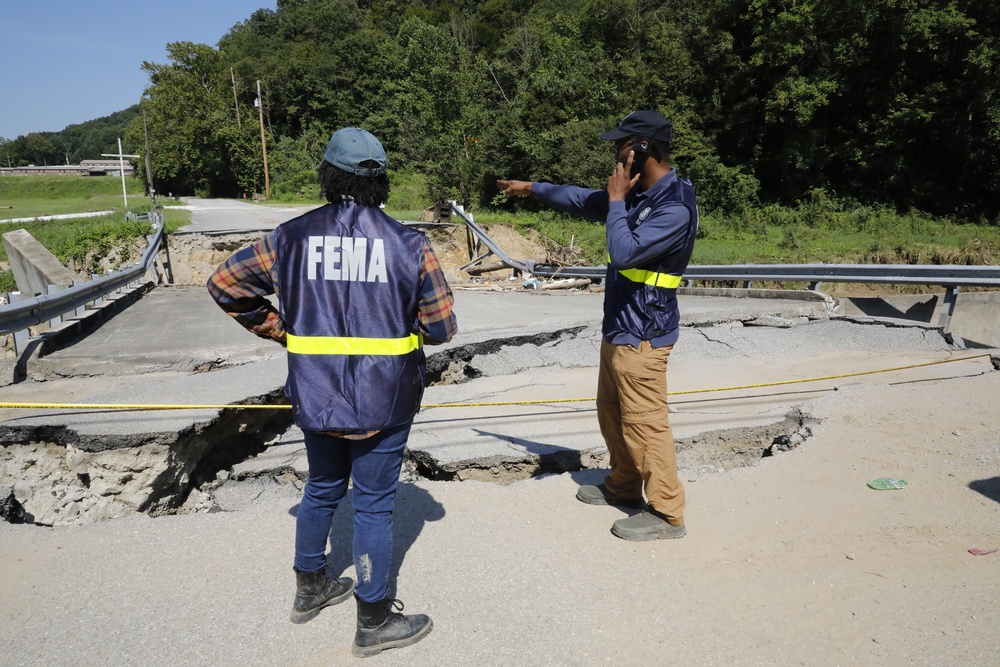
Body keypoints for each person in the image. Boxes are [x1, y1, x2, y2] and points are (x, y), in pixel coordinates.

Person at [208, 127, 457, 657]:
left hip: (315, 390)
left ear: (327, 175)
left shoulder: (288, 238)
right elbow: (440, 327)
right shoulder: (409, 244)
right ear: (381, 182)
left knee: (322, 486)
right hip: (385, 397)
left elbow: (226, 284)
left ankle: (310, 589)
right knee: (371, 507)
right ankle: (372, 622)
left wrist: (281, 329)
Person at [497, 110, 698, 542]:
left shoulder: (674, 206)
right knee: (613, 414)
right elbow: (578, 198)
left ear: (644, 147)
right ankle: (624, 484)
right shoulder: (640, 195)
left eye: (621, 145)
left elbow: (624, 252)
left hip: (645, 333)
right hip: (620, 328)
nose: (616, 153)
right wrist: (532, 187)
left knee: (645, 422)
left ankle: (667, 513)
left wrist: (615, 201)